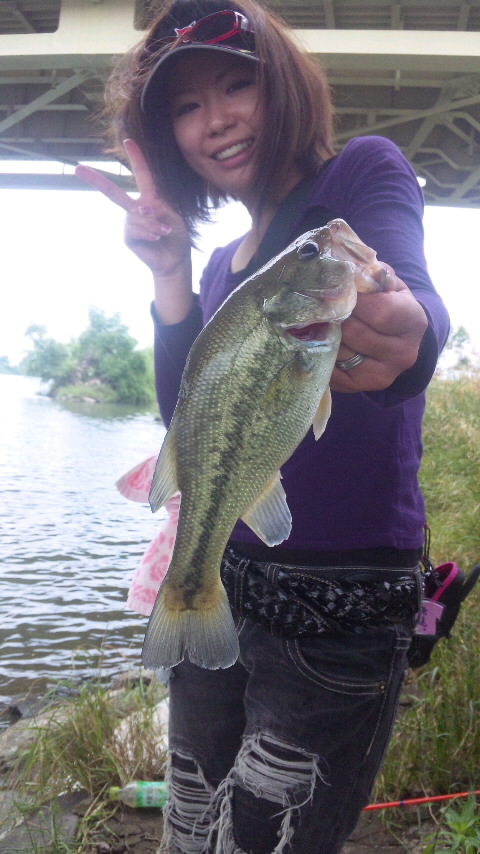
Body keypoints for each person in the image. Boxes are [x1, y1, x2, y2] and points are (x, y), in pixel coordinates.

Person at [76, 1, 450, 852]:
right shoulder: (221, 268)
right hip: (228, 572)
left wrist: (412, 332)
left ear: (283, 86)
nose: (216, 119)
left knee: (265, 836)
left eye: (236, 85)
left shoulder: (359, 174)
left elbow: (412, 302)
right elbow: (186, 418)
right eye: (186, 105)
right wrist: (169, 272)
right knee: (191, 819)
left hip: (343, 601)